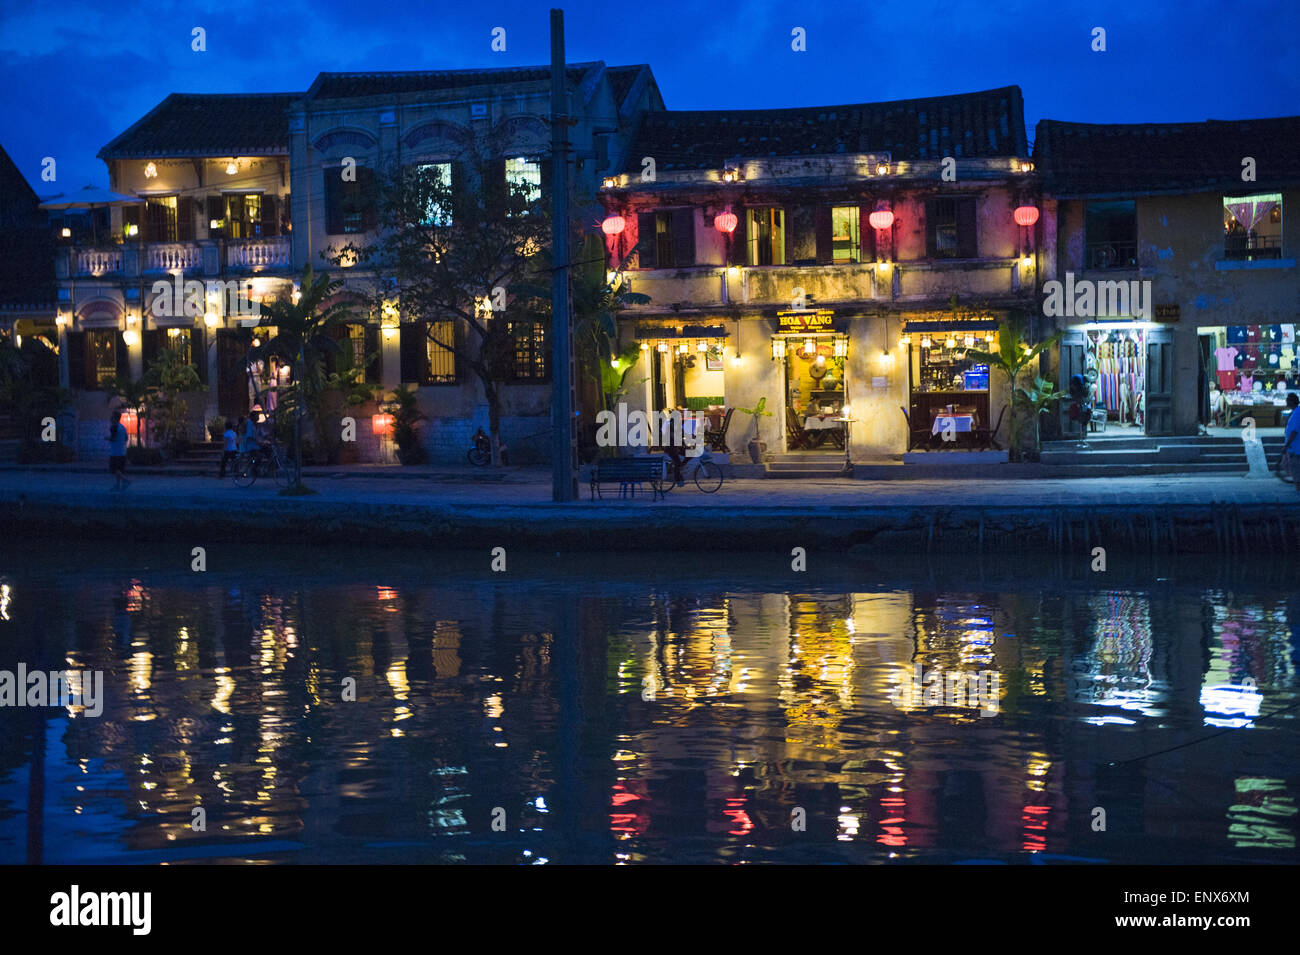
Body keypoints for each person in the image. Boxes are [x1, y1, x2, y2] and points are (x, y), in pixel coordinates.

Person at [107, 410, 129, 490]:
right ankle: (117, 485)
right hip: (122, 452)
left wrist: (107, 438)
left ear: (114, 418)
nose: (111, 418)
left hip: (115, 452)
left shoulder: (114, 427)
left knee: (114, 469)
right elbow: (126, 438)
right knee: (119, 470)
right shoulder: (123, 427)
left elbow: (113, 438)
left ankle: (125, 480)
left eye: (112, 417)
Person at [1283, 393, 1300, 490]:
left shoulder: (1297, 413)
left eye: (1288, 400)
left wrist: (1287, 445)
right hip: (1293, 446)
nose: (1286, 402)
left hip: (1295, 446)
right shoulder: (1294, 412)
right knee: (1286, 463)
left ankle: (1298, 485)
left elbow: (1294, 431)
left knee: (1295, 466)